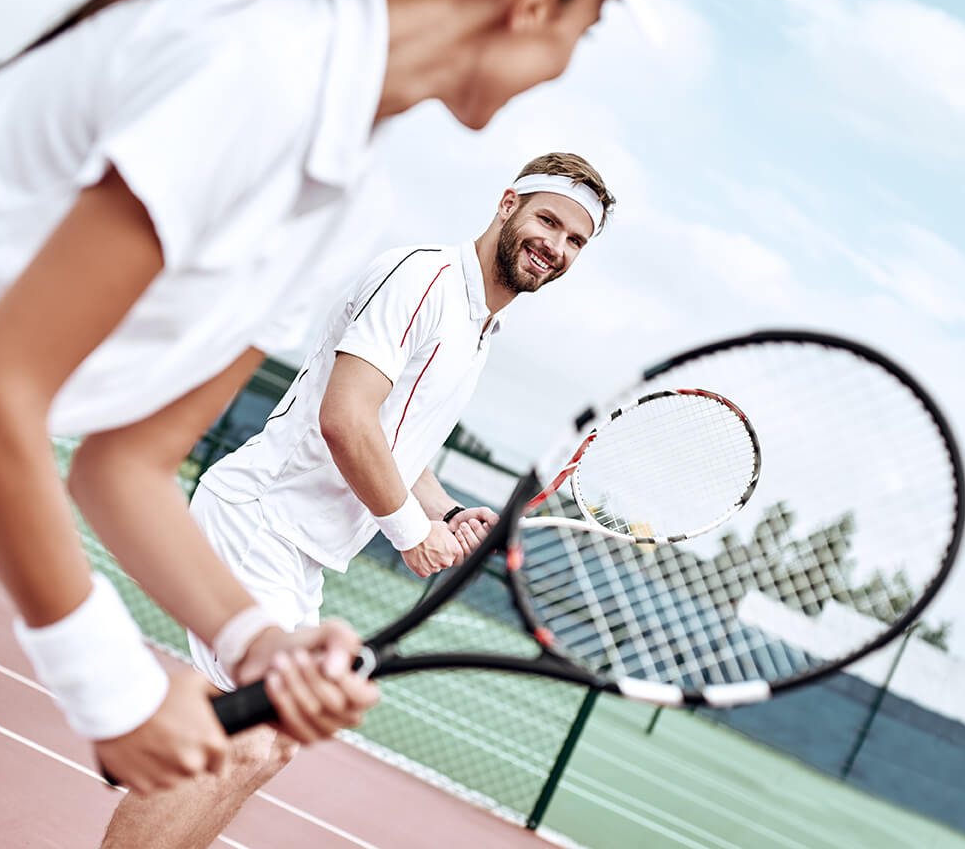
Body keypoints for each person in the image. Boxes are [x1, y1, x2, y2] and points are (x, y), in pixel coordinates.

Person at [0, 0, 652, 847]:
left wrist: (256, 645)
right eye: (585, 33)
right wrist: (112, 689)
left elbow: (123, 466)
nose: (564, 67)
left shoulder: (342, 192)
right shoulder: (264, 69)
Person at [100, 151, 614, 849]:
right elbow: (346, 416)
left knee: (268, 742)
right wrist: (409, 532)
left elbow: (406, 445)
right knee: (245, 737)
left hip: (299, 548)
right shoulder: (425, 277)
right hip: (260, 518)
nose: (556, 246)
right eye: (549, 220)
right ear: (507, 204)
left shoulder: (481, 326)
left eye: (576, 240)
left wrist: (446, 513)